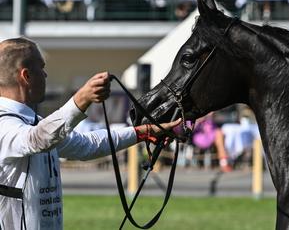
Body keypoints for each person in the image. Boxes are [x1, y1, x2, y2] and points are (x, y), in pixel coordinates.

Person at [0, 37, 181, 230]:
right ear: (26, 76)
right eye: (41, 68)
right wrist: (80, 100)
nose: (45, 75)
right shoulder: (4, 123)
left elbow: (86, 145)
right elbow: (38, 139)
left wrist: (140, 133)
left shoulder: (31, 121)